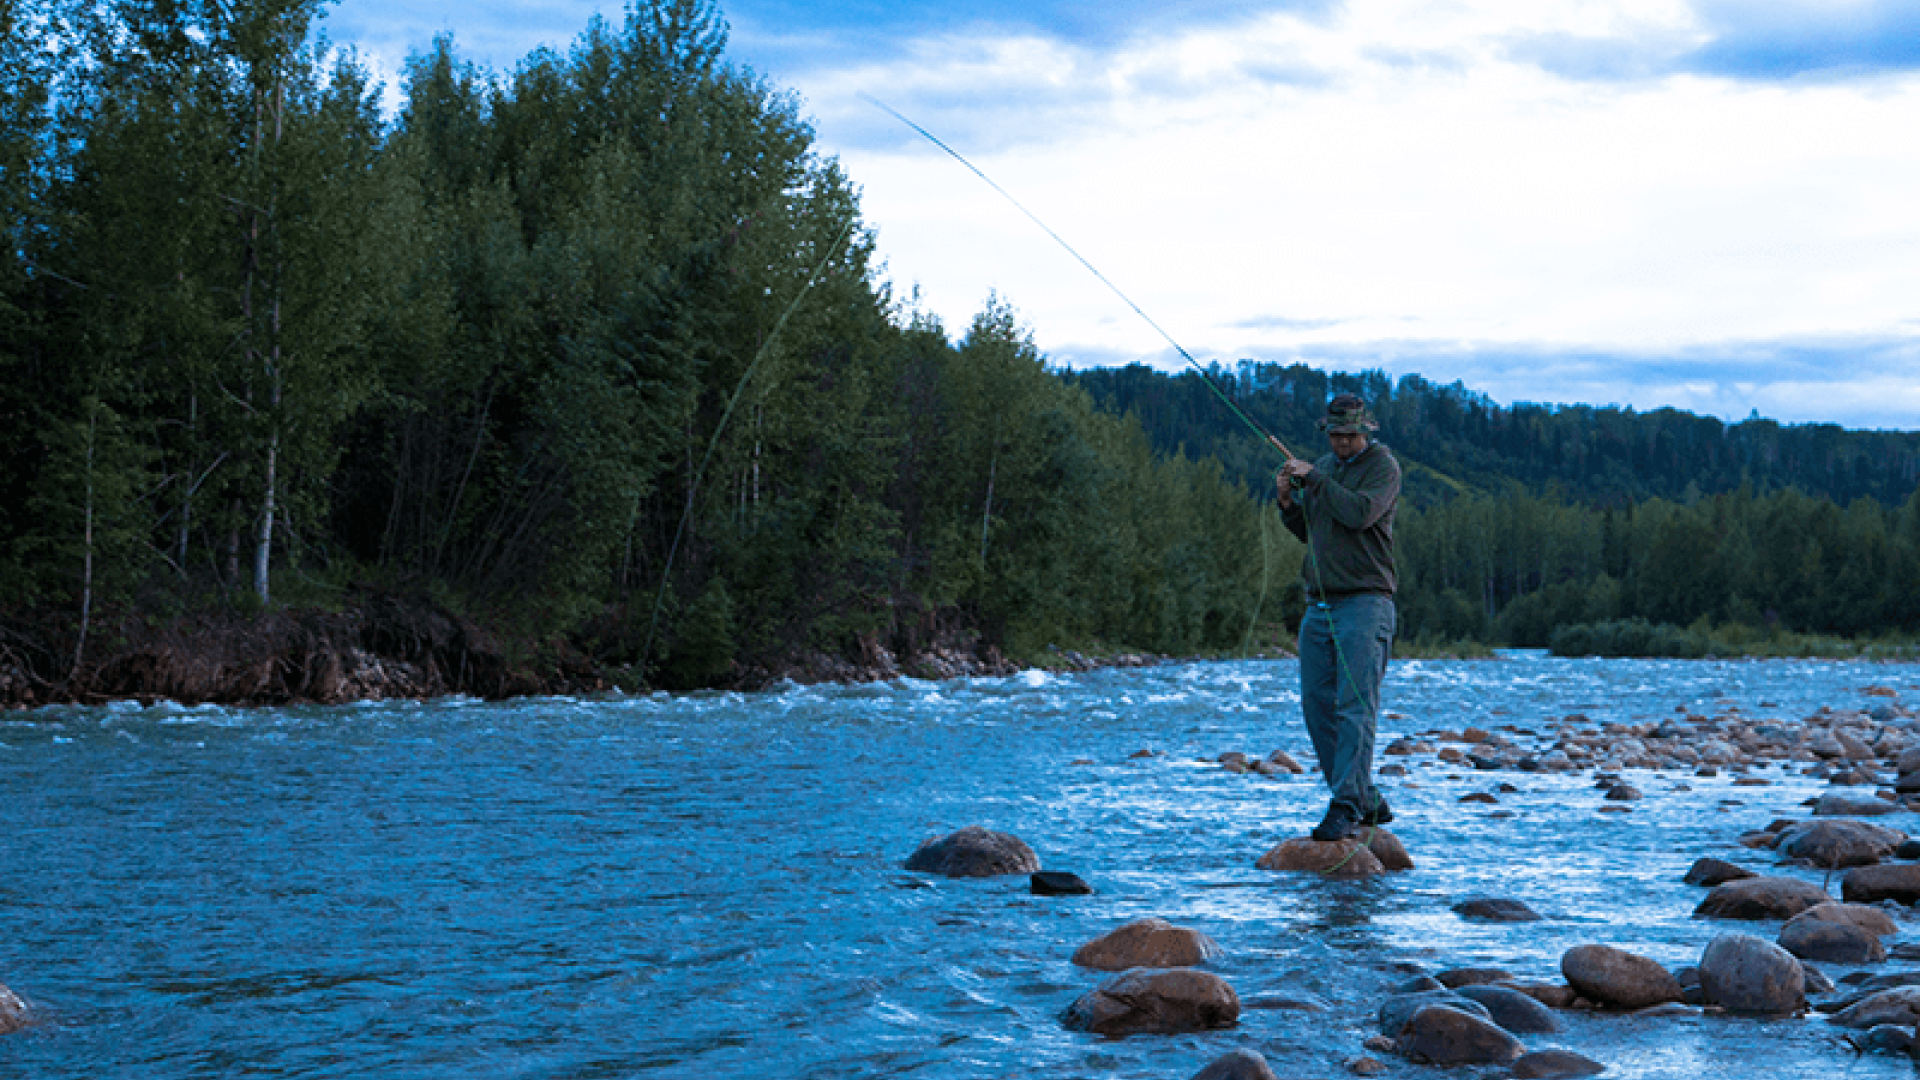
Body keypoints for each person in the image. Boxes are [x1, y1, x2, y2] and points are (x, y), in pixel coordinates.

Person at [1276, 392, 1401, 842]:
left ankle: (1347, 805)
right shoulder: (1324, 469)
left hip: (1366, 603)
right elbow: (1312, 531)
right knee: (1316, 706)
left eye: (1349, 435)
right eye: (1335, 435)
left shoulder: (1384, 468)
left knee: (1355, 707)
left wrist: (1318, 481)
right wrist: (1289, 503)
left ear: (1365, 431)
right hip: (1320, 604)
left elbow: (1360, 514)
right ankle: (1362, 797)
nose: (1342, 443)